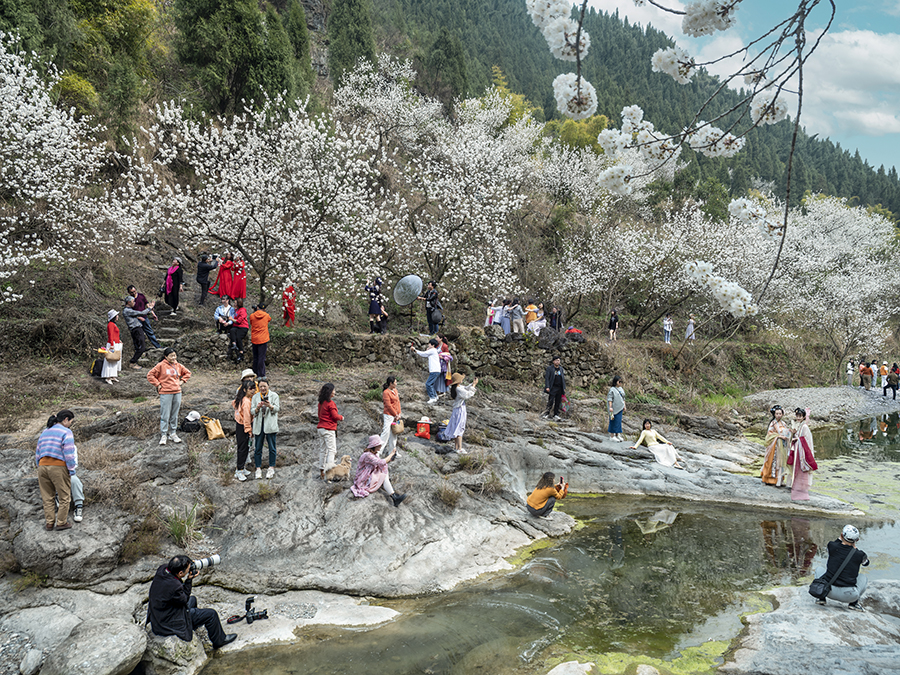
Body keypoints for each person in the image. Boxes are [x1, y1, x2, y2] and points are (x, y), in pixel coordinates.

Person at [147, 555, 236, 649]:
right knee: (211, 614)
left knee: (193, 599)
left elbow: (182, 596)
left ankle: (193, 624)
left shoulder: (163, 569)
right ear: (180, 573)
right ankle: (220, 640)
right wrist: (189, 580)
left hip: (159, 615)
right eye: (188, 569)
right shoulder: (174, 586)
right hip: (168, 624)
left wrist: (187, 562)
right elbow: (184, 599)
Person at [35, 410, 77, 531]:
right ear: (65, 419)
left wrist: (40, 466)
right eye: (71, 422)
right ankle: (61, 522)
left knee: (47, 496)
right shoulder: (66, 432)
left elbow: (38, 452)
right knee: (64, 496)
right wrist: (71, 469)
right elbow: (69, 453)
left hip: (42, 467)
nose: (70, 424)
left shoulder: (45, 432)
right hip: (58, 466)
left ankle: (49, 523)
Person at [814, 525, 870, 610]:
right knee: (863, 578)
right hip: (849, 595)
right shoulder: (860, 555)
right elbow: (866, 563)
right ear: (857, 540)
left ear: (842, 535)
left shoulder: (832, 546)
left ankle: (821, 598)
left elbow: (837, 543)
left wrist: (841, 537)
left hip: (828, 591)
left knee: (819, 569)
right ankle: (853, 603)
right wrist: (855, 548)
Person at [147, 348, 192, 446]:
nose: (173, 357)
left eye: (175, 355)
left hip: (177, 392)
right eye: (171, 356)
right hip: (165, 392)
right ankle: (164, 434)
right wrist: (158, 384)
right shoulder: (160, 365)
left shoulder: (178, 365)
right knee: (165, 414)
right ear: (166, 357)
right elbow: (150, 375)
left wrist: (182, 381)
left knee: (174, 414)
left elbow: (188, 373)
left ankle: (173, 433)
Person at [351, 435, 406, 506]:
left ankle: (393, 495)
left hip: (369, 474)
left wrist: (390, 459)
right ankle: (394, 496)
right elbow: (380, 462)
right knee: (384, 472)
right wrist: (391, 454)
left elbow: (380, 463)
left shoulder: (373, 454)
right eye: (379, 444)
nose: (380, 446)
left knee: (384, 469)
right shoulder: (367, 455)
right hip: (363, 479)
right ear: (374, 446)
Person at [437, 373, 478, 454]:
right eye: (461, 379)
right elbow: (467, 394)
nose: (462, 380)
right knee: (460, 428)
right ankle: (459, 448)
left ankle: (456, 448)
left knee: (456, 427)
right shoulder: (459, 390)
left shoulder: (456, 388)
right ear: (458, 381)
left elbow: (466, 388)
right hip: (460, 410)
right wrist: (474, 386)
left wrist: (473, 384)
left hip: (456, 410)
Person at [251, 379, 279, 479]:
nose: (263, 388)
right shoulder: (255, 397)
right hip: (259, 424)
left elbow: (277, 409)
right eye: (261, 386)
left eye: (264, 386)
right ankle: (258, 469)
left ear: (268, 386)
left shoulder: (274, 395)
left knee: (272, 447)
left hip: (270, 425)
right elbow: (252, 411)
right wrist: (257, 408)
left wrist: (270, 406)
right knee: (257, 448)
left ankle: (271, 467)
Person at [789, 407, 817, 501]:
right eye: (797, 416)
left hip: (801, 451)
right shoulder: (799, 425)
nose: (798, 417)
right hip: (797, 449)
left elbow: (806, 439)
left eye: (800, 416)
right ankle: (796, 486)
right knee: (796, 468)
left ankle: (800, 488)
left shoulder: (804, 426)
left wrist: (797, 439)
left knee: (801, 469)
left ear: (804, 416)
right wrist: (793, 435)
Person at [761, 405, 792, 487]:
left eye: (780, 413)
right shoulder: (773, 423)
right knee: (774, 461)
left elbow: (786, 432)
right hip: (775, 446)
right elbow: (769, 434)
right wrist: (779, 436)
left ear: (782, 414)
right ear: (774, 414)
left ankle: (780, 479)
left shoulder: (784, 423)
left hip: (783, 445)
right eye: (777, 413)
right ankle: (770, 479)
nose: (778, 415)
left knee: (781, 462)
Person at [317, 383, 343, 480]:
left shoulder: (321, 402)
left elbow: (319, 415)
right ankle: (329, 472)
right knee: (332, 450)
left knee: (323, 450)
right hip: (328, 429)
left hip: (321, 428)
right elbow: (335, 416)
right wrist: (342, 418)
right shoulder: (330, 403)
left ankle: (322, 470)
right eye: (333, 390)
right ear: (329, 392)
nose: (334, 392)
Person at [123, 295, 155, 370]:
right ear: (129, 302)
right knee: (142, 347)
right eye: (133, 301)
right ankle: (132, 362)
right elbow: (141, 313)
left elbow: (135, 315)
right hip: (136, 329)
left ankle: (134, 362)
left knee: (139, 347)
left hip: (135, 329)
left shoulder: (127, 310)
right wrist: (150, 308)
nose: (134, 303)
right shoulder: (128, 310)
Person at [127, 285, 162, 349]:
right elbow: (130, 312)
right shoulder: (129, 300)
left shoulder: (141, 296)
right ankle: (139, 348)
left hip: (145, 317)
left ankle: (157, 346)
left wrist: (153, 314)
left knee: (150, 332)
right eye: (132, 292)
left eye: (134, 291)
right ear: (129, 293)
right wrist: (139, 318)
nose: (134, 293)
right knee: (138, 335)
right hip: (136, 320)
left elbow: (147, 305)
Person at [232, 380, 254, 481]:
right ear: (245, 389)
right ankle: (239, 470)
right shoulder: (246, 401)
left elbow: (234, 405)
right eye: (250, 388)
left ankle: (241, 468)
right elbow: (247, 418)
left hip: (239, 425)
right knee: (243, 448)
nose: (253, 390)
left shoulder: (240, 398)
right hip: (243, 427)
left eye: (254, 388)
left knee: (242, 447)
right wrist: (249, 431)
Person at [411, 338, 441, 404]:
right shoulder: (434, 350)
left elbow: (423, 354)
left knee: (428, 384)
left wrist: (415, 350)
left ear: (433, 345)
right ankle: (435, 396)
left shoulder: (432, 350)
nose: (428, 345)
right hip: (436, 370)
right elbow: (426, 354)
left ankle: (432, 397)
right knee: (431, 384)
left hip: (434, 370)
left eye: (429, 344)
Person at [380, 375, 401, 458]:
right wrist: (395, 414)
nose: (396, 383)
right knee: (386, 433)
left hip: (395, 415)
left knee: (394, 433)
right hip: (388, 415)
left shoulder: (395, 390)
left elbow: (398, 402)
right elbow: (388, 405)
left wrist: (399, 413)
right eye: (395, 382)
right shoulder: (386, 392)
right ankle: (378, 452)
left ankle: (393, 452)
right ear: (391, 383)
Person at [249, 303, 271, 378]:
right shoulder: (266, 315)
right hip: (263, 339)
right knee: (261, 358)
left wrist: (255, 312)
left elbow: (251, 322)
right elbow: (269, 319)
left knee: (255, 357)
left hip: (255, 339)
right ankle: (262, 374)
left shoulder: (252, 316)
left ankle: (255, 373)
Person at [102, 309, 123, 385]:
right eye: (116, 315)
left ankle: (113, 375)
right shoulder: (110, 324)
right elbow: (110, 335)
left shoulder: (113, 324)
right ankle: (108, 377)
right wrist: (111, 344)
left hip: (115, 343)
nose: (118, 316)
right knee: (110, 360)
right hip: (112, 344)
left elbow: (115, 334)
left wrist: (118, 340)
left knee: (115, 360)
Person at [542, 355, 565, 420]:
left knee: (558, 402)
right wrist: (547, 386)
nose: (557, 362)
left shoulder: (561, 369)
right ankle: (546, 413)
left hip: (560, 387)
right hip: (553, 387)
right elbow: (547, 378)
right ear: (553, 361)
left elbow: (563, 378)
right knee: (551, 401)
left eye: (558, 360)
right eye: (556, 360)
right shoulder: (550, 368)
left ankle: (556, 415)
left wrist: (564, 387)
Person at [229, 298, 249, 364]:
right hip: (236, 327)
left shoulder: (242, 310)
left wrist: (232, 319)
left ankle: (241, 353)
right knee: (232, 331)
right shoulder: (235, 310)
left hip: (243, 327)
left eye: (235, 303)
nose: (234, 304)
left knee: (238, 337)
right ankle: (234, 344)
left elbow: (239, 321)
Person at [607, 375, 626, 442]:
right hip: (613, 409)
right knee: (613, 421)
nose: (620, 383)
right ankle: (612, 436)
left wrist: (624, 406)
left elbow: (623, 398)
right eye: (619, 381)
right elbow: (610, 399)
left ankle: (617, 435)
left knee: (618, 421)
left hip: (620, 408)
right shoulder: (612, 390)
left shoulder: (621, 389)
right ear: (616, 382)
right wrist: (610, 407)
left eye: (621, 381)